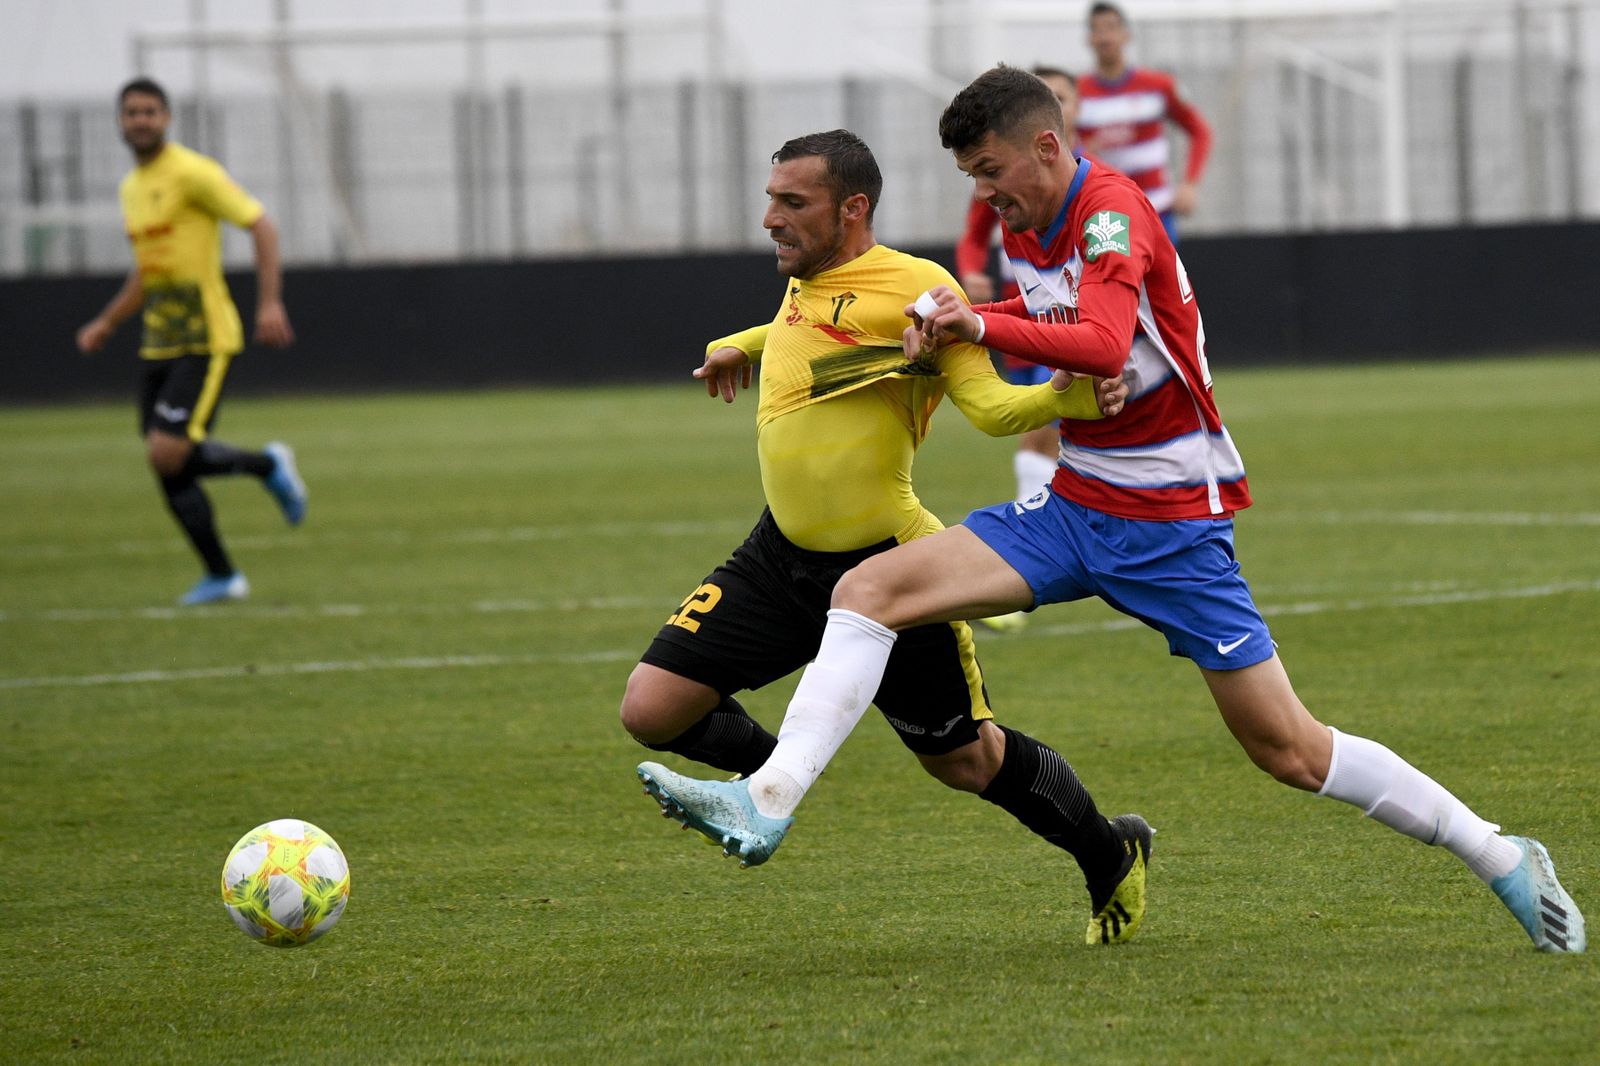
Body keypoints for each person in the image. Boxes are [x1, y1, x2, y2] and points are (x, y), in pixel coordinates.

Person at [643, 67, 1586, 955]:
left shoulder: (1110, 213)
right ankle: (768, 797)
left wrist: (978, 320)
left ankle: (1499, 853)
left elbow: (1097, 341)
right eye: (971, 178)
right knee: (870, 587)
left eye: (992, 172)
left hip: (1172, 525)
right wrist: (958, 325)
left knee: (1288, 749)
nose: (986, 195)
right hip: (1075, 505)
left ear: (1046, 147)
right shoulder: (1029, 227)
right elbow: (1047, 323)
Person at [628, 128, 1153, 946]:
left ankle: (1107, 852)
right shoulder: (804, 275)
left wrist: (1065, 401)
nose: (770, 218)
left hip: (889, 567)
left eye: (791, 203)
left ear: (853, 209)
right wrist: (745, 341)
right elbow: (815, 329)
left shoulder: (917, 288)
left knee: (966, 761)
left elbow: (988, 410)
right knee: (652, 708)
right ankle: (776, 777)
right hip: (778, 557)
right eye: (771, 199)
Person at [76, 77, 306, 606]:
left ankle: (268, 471)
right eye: (131, 112)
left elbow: (262, 225)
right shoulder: (132, 188)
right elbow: (148, 271)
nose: (140, 120)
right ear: (119, 120)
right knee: (168, 458)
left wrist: (269, 303)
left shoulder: (193, 173)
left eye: (150, 111)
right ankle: (224, 572)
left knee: (167, 452)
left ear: (167, 118)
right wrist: (108, 322)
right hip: (158, 341)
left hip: (204, 336)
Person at [957, 67, 1083, 506]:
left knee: (1048, 432)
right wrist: (971, 276)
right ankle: (1041, 515)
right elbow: (972, 236)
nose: (983, 191)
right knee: (1042, 430)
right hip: (1029, 316)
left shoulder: (1095, 190)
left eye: (1064, 97)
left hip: (1068, 325)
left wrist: (975, 324)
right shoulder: (1005, 184)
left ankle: (1040, 515)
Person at [1077, 2, 1211, 245]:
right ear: (1089, 39)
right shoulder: (1076, 94)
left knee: (1164, 282)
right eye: (1097, 30)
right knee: (1113, 282)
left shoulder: (1158, 85)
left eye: (1111, 28)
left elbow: (1200, 131)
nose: (1105, 37)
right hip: (1105, 213)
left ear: (1126, 35)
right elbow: (1066, 146)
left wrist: (1190, 183)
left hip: (1156, 209)